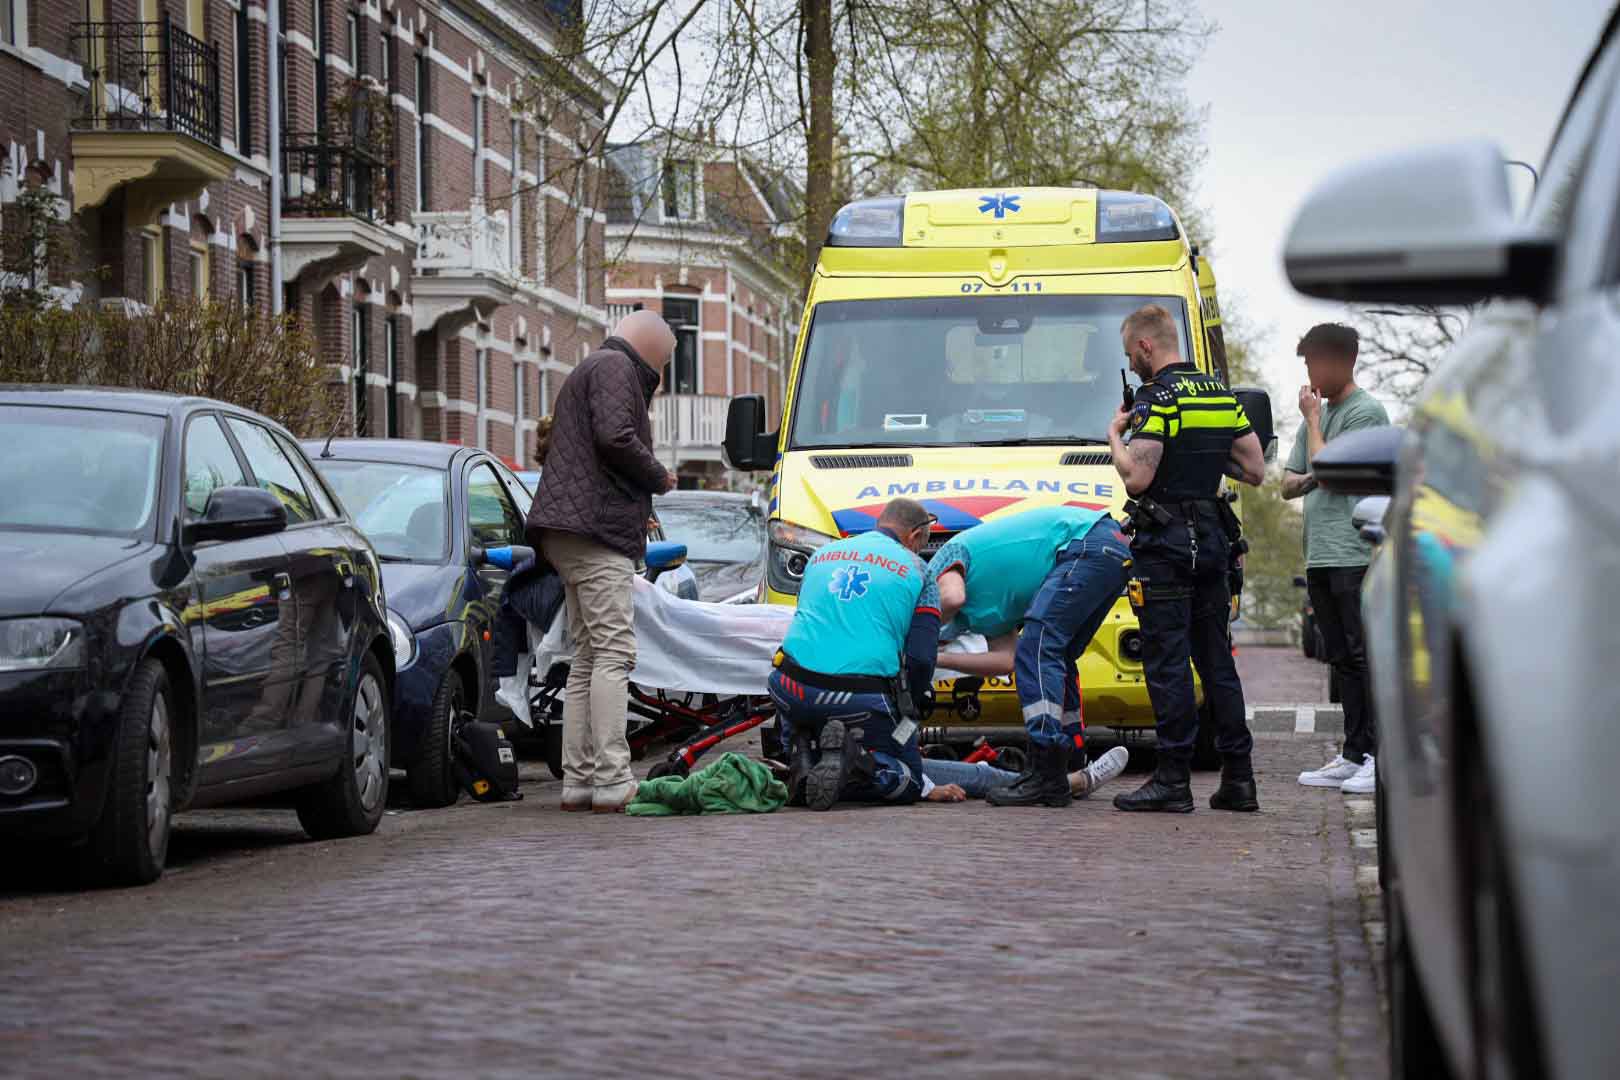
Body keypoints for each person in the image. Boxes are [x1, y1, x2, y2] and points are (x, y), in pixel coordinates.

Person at [1107, 303, 1266, 814]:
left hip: (1168, 547)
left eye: (1132, 354)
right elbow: (1255, 469)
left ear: (1147, 347)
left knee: (1168, 661)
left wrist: (1116, 438)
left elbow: (1138, 478)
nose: (1132, 364)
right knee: (1217, 660)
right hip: (1214, 542)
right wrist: (1201, 454)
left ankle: (1172, 780)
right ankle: (1239, 780)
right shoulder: (1220, 393)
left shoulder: (1157, 399)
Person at [526, 311, 678, 814]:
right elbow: (615, 438)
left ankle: (580, 780)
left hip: (568, 532)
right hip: (596, 535)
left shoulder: (591, 367)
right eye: (667, 358)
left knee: (587, 656)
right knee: (614, 652)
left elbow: (594, 454)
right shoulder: (616, 368)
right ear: (651, 350)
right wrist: (658, 476)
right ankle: (613, 779)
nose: (663, 370)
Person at [921, 505, 1136, 808]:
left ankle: (1045, 770)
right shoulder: (982, 614)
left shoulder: (936, 571)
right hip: (1108, 550)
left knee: (1038, 647)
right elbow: (1005, 661)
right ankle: (1068, 763)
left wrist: (919, 643)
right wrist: (938, 660)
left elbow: (951, 597)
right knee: (1055, 654)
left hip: (1083, 544)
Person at [1282, 324, 1390, 796]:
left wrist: (1311, 426)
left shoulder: (1366, 412)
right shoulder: (1320, 416)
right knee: (1342, 659)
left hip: (1354, 550)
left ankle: (1377, 757)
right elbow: (1288, 483)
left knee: (1365, 657)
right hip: (1319, 555)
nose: (1309, 376)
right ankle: (1352, 754)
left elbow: (1326, 468)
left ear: (1342, 362)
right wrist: (1314, 472)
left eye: (1313, 365)